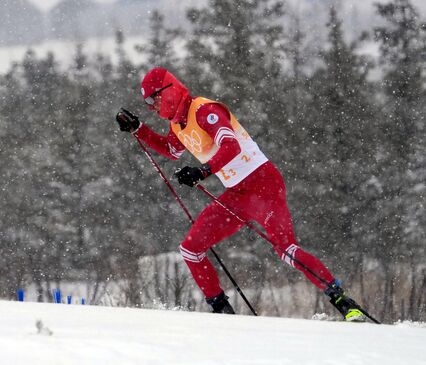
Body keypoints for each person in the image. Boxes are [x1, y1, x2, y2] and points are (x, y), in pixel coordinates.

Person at [115, 67, 365, 321]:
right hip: (238, 194)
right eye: (146, 103)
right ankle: (223, 313)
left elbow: (231, 146)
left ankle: (343, 300)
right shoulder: (177, 124)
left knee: (285, 250)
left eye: (152, 100)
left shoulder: (205, 111)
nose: (151, 107)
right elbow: (171, 149)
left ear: (167, 91)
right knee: (191, 249)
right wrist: (139, 129)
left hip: (264, 185)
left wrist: (201, 172)